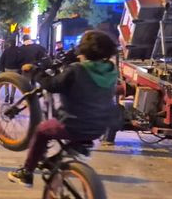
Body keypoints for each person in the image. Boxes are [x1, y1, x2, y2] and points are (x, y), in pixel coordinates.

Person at [8, 31, 119, 187]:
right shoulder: (111, 70)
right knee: (68, 136)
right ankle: (61, 158)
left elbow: (52, 85)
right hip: (98, 127)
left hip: (72, 125)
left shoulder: (77, 70)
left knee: (42, 130)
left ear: (84, 50)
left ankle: (26, 173)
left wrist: (36, 73)